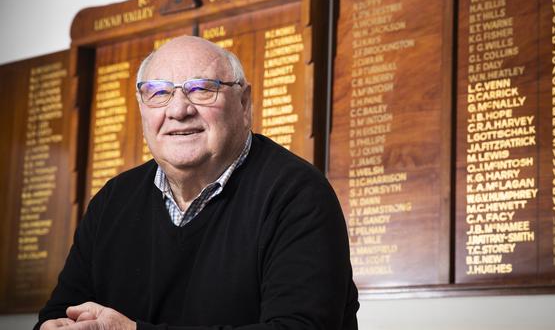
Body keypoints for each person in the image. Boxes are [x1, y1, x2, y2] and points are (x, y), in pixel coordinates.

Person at [36, 35, 359, 330]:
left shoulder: (297, 193)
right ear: (141, 108)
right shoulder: (112, 201)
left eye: (202, 88)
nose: (179, 109)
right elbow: (59, 314)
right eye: (159, 93)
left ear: (244, 103)